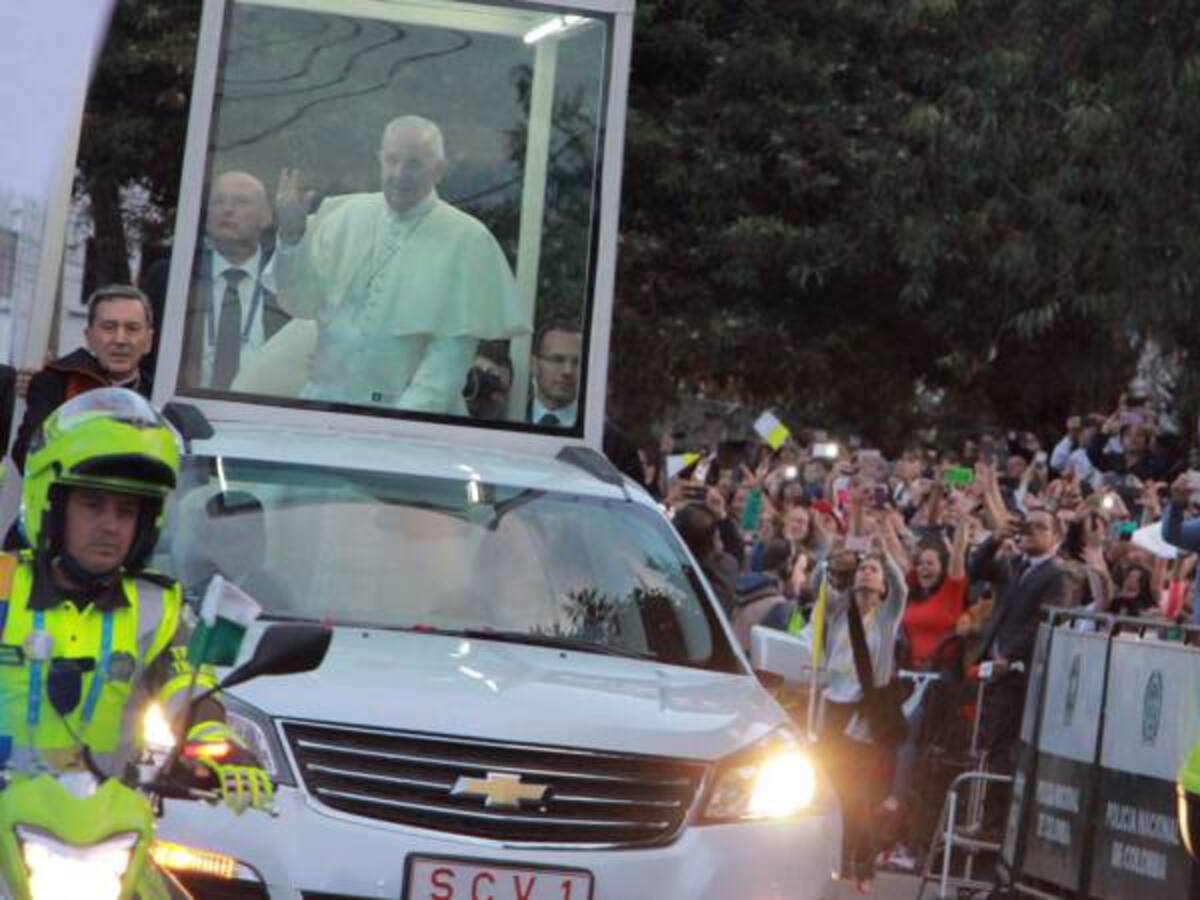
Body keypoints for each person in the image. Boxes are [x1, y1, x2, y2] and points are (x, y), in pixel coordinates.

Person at [0, 389, 271, 809]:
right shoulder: (3, 584)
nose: (110, 525)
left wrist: (216, 742)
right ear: (50, 504)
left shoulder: (159, 608)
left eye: (126, 511)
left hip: (104, 820)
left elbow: (189, 687)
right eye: (93, 505)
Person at [272, 115, 526, 413]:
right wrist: (292, 238)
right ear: (380, 159)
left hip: (408, 418)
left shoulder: (467, 240)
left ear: (439, 171)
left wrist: (396, 422)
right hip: (322, 407)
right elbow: (300, 303)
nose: (399, 174)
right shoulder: (343, 215)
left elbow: (447, 363)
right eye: (392, 160)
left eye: (414, 164)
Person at [819, 538, 908, 893]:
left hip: (864, 711)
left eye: (874, 570)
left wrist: (885, 554)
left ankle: (864, 863)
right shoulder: (840, 614)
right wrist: (833, 554)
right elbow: (818, 585)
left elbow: (902, 589)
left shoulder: (886, 619)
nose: (867, 573)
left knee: (856, 791)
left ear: (883, 585)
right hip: (833, 707)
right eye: (863, 569)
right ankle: (838, 857)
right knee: (832, 786)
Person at [12, 285, 155, 473]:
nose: (120, 339)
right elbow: (27, 453)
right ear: (89, 337)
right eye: (109, 327)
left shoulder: (159, 395)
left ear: (148, 341)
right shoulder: (57, 381)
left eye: (132, 328)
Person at [175, 170, 290, 390]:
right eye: (218, 201)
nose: (227, 210)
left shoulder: (286, 282)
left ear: (266, 217)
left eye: (241, 202)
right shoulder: (177, 279)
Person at [529, 321, 582, 428]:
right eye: (557, 360)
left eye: (576, 362)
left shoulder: (593, 426)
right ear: (534, 364)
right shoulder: (513, 415)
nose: (568, 371)